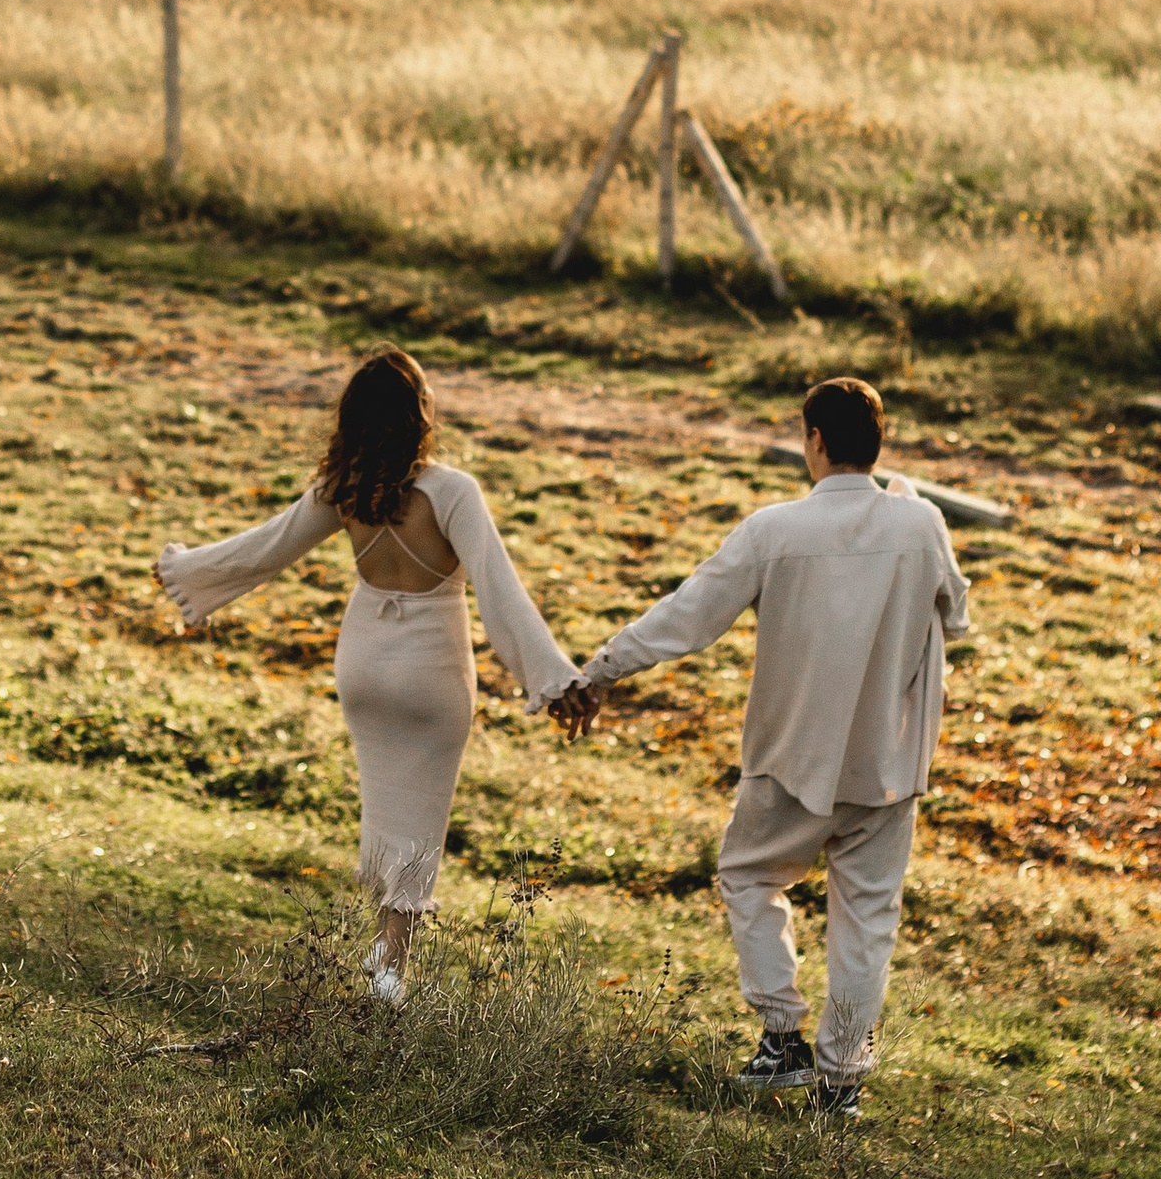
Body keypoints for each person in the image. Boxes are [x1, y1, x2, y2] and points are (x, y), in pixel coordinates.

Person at [551, 374, 967, 1123]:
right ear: (879, 443)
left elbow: (688, 615)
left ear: (814, 441)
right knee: (867, 918)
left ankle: (782, 1034)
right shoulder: (922, 524)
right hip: (888, 760)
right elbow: (957, 612)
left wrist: (603, 667)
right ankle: (842, 1083)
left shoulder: (773, 529)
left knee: (747, 875)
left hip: (791, 756)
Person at [155, 348, 577, 1001]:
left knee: (385, 805)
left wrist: (187, 571)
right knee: (422, 814)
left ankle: (384, 946)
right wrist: (550, 680)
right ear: (421, 415)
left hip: (364, 664)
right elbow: (501, 591)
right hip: (430, 669)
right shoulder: (451, 490)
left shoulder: (343, 489)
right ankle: (390, 964)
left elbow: (266, 547)